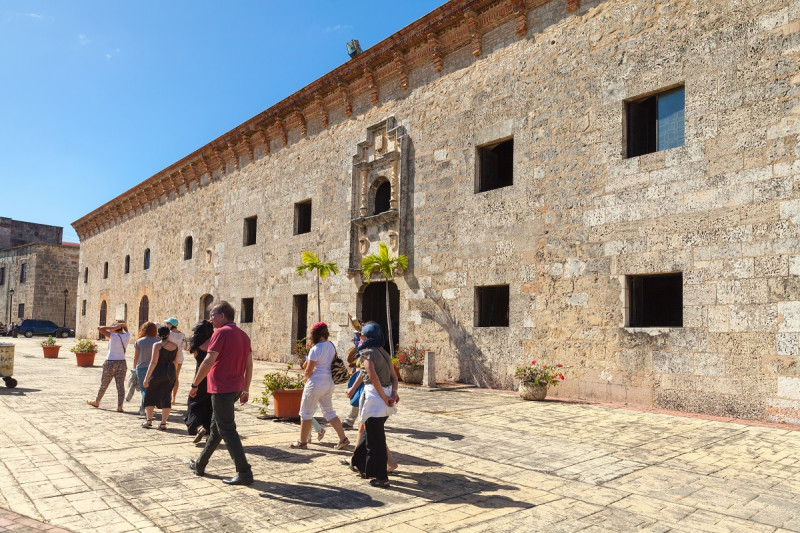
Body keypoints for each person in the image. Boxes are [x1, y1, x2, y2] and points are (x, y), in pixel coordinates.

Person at [188, 301, 254, 485]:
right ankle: (200, 465)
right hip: (235, 387)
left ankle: (244, 472)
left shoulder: (220, 333)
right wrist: (246, 388)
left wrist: (194, 384)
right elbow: (249, 365)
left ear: (222, 316)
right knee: (216, 429)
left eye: (212, 315)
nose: (210, 319)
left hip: (222, 388)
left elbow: (208, 361)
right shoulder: (243, 335)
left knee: (227, 429)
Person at [349, 322, 398, 488]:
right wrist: (392, 394)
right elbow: (394, 377)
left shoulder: (367, 353)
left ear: (367, 337)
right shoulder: (384, 352)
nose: (360, 338)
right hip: (385, 399)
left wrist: (384, 397)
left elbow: (372, 377)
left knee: (375, 440)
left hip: (375, 399)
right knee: (369, 432)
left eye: (362, 335)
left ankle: (381, 477)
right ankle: (359, 463)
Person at [290, 322, 350, 450]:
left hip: (315, 383)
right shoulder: (331, 346)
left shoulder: (315, 349)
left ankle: (302, 441)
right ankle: (343, 438)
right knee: (329, 412)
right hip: (329, 383)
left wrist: (305, 379)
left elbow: (308, 370)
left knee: (305, 412)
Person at [87, 321, 130, 412]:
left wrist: (111, 328)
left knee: (104, 383)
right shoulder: (127, 336)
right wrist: (121, 326)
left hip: (110, 362)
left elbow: (99, 328)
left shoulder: (113, 337)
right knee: (120, 385)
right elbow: (126, 328)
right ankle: (120, 406)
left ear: (114, 329)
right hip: (122, 362)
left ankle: (97, 401)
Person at [142, 326, 179, 430]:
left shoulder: (157, 345)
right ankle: (163, 423)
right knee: (167, 397)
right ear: (168, 334)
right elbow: (176, 362)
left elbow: (153, 362)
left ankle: (149, 421)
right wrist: (174, 375)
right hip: (170, 372)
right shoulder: (175, 346)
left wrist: (146, 378)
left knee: (150, 395)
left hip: (158, 372)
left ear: (158, 334)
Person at [185, 319, 214, 443]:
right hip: (213, 378)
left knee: (194, 405)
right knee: (210, 406)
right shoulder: (215, 342)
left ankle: (199, 427)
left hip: (200, 378)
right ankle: (208, 434)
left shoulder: (196, 344)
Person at [133, 322, 159, 416]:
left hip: (141, 368)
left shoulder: (139, 341)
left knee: (144, 390)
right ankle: (143, 408)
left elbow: (135, 357)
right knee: (150, 389)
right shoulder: (158, 341)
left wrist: (134, 368)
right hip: (154, 368)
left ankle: (145, 408)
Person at [165, 317, 186, 404]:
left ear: (171, 324)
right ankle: (173, 398)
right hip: (180, 356)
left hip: (170, 356)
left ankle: (167, 397)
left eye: (168, 323)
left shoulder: (168, 334)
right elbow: (185, 346)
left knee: (167, 377)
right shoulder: (182, 334)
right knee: (176, 377)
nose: (167, 325)